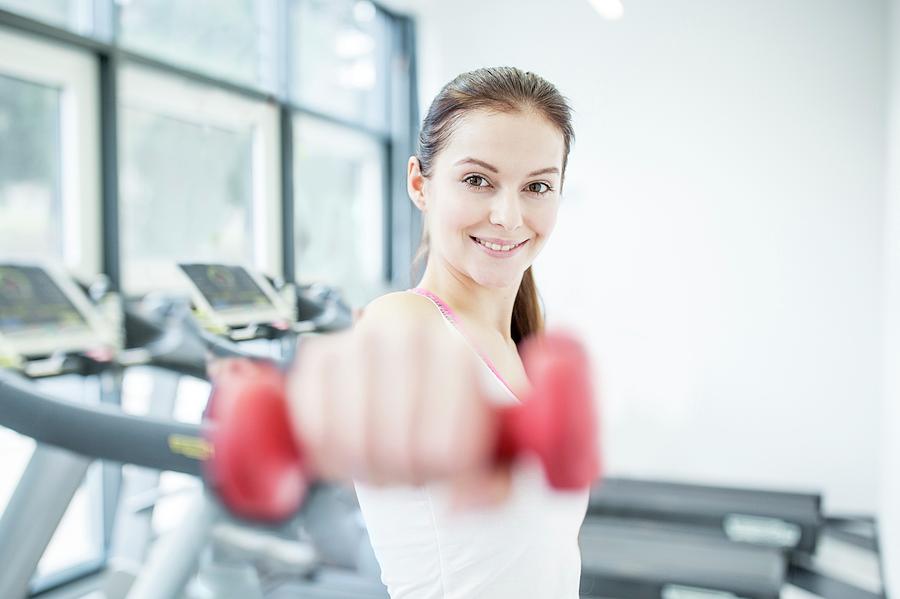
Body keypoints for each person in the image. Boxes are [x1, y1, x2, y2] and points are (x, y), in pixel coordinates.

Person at [287, 66, 590, 598]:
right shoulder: (403, 322)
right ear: (419, 184)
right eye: (478, 180)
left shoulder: (523, 347)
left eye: (537, 186)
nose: (509, 215)